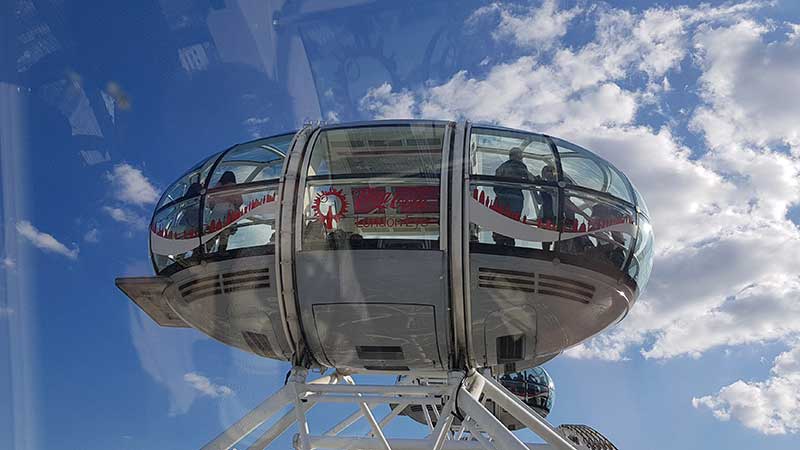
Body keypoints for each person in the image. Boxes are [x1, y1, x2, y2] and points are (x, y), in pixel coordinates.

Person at [493, 147, 534, 246]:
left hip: (501, 199)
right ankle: (510, 242)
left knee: (500, 222)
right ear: (517, 156)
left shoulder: (501, 167)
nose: (522, 157)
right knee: (512, 223)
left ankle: (499, 241)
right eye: (520, 155)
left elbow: (495, 186)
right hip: (515, 198)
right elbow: (530, 178)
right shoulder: (519, 165)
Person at [206, 171, 243, 253]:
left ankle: (207, 250)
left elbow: (210, 203)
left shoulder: (217, 188)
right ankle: (221, 250)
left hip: (217, 211)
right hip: (229, 211)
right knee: (225, 234)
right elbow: (239, 202)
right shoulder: (235, 187)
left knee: (212, 233)